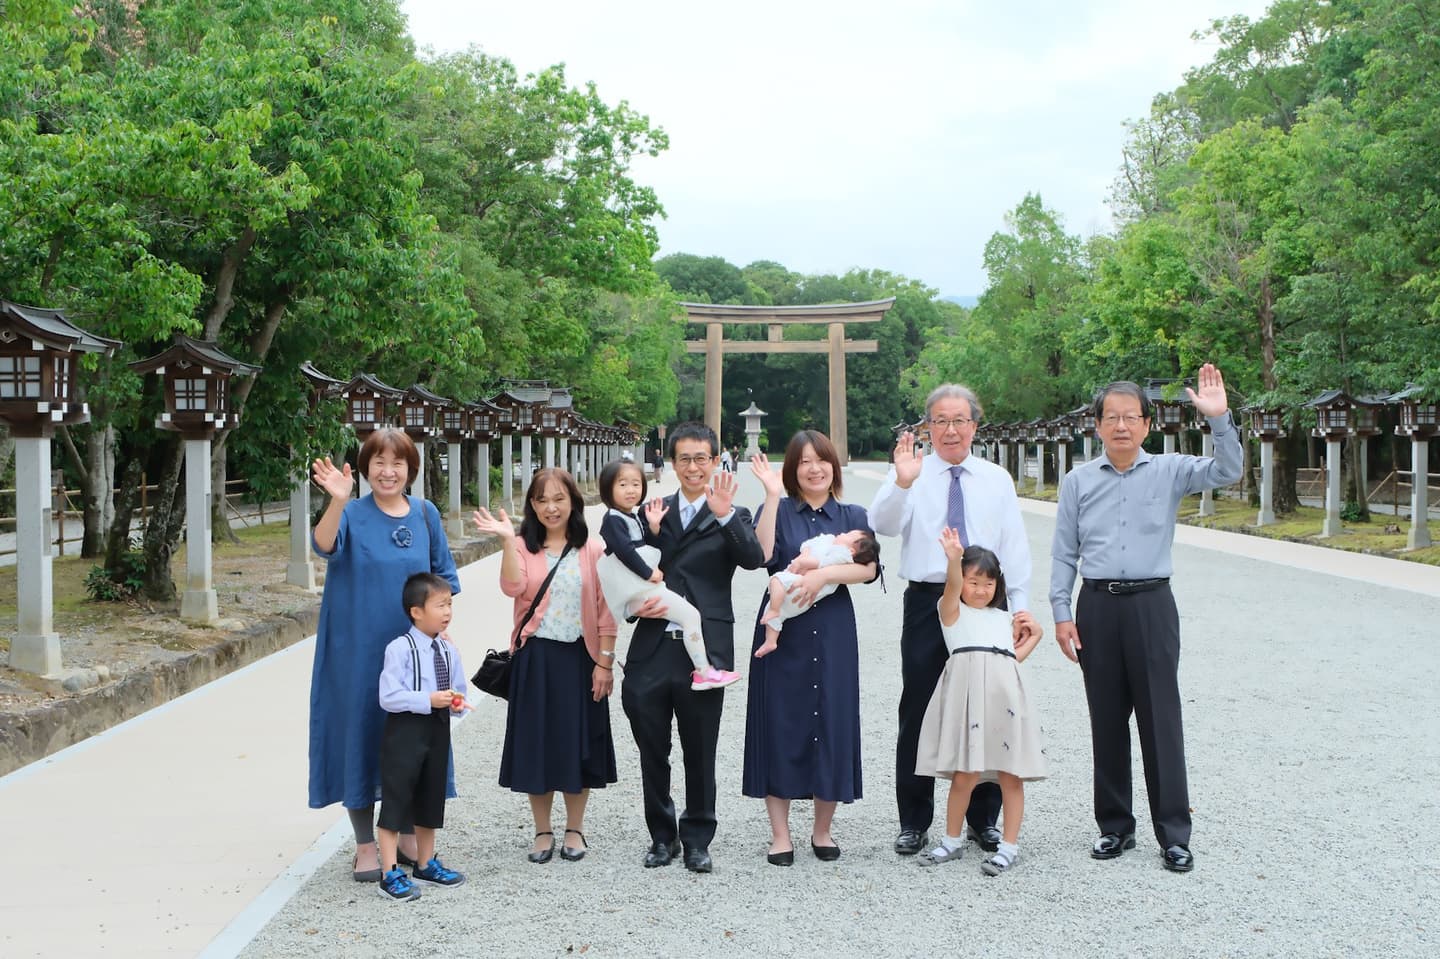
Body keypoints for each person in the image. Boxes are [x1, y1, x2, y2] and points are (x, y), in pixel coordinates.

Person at [1050, 364, 1241, 874]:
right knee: (1106, 721)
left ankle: (1174, 834)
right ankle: (1115, 828)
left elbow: (1228, 472)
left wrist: (1219, 420)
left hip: (1153, 604)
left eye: (1130, 417)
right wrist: (1061, 614)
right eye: (1110, 417)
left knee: (1161, 720)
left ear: (1146, 424)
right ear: (1096, 425)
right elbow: (1064, 554)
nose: (1120, 426)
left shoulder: (1171, 470)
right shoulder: (1077, 482)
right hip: (1097, 605)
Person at [870, 385, 1040, 858]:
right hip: (930, 601)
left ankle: (982, 819)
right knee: (920, 707)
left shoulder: (996, 479)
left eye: (959, 420)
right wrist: (902, 482)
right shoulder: (912, 471)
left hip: (986, 603)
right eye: (940, 420)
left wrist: (1018, 606)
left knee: (985, 708)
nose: (950, 429)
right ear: (927, 427)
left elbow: (1014, 547)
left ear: (974, 426)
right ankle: (914, 819)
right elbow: (880, 524)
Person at [309, 428, 461, 883]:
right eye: (379, 462)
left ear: (410, 469)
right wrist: (337, 499)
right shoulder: (351, 513)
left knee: (414, 741)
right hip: (356, 648)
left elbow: (443, 579)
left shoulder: (425, 514)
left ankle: (410, 836)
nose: (388, 471)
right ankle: (364, 844)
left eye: (397, 463)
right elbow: (323, 546)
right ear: (366, 468)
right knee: (361, 733)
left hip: (415, 651)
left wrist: (445, 634)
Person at [623, 422, 764, 873]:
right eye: (683, 458)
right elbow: (626, 569)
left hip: (707, 648)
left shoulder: (732, 513)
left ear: (716, 460)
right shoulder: (652, 510)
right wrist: (632, 607)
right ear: (671, 461)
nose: (693, 467)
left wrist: (723, 516)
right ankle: (662, 837)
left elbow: (753, 559)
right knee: (652, 747)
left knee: (700, 747)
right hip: (653, 644)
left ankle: (699, 837)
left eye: (701, 458)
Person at [744, 431, 879, 865]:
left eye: (821, 460)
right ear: (792, 469)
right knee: (779, 721)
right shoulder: (780, 511)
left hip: (833, 628)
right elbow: (763, 554)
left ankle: (823, 830)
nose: (813, 468)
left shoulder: (853, 514)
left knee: (832, 719)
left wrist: (824, 577)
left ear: (833, 466)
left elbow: (870, 569)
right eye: (803, 462)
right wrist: (769, 495)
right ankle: (780, 835)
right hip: (785, 628)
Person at [472, 468, 618, 864]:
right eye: (541, 500)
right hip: (536, 659)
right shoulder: (522, 545)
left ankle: (575, 827)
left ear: (573, 501)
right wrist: (506, 542)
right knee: (537, 746)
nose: (551, 507)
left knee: (578, 744)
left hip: (580, 657)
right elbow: (513, 588)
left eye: (558, 498)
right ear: (532, 506)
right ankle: (542, 830)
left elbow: (607, 612)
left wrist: (604, 663)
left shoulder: (594, 550)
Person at [914, 533, 1045, 876]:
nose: (981, 589)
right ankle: (951, 840)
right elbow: (952, 586)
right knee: (965, 773)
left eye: (988, 583)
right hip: (969, 699)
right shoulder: (951, 613)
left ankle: (1010, 847)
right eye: (973, 582)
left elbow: (1010, 659)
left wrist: (1036, 637)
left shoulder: (1003, 619)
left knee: (1010, 774)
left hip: (1005, 699)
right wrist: (954, 560)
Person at [594, 459, 740, 690]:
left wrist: (653, 528)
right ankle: (703, 672)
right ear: (607, 488)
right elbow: (625, 552)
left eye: (635, 484)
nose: (631, 490)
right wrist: (648, 572)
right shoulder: (612, 519)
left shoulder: (631, 516)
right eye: (622, 485)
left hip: (642, 586)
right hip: (639, 586)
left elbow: (643, 547)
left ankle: (704, 671)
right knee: (691, 616)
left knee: (688, 617)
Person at [374, 573, 469, 902]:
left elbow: (458, 689)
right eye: (440, 605)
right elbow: (388, 697)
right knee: (397, 800)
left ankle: (426, 863)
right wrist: (427, 700)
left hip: (438, 730)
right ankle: (389, 872)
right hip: (405, 732)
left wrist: (457, 704)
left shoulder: (447, 650)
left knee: (431, 797)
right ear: (416, 611)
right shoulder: (399, 649)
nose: (447, 612)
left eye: (450, 605)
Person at [755, 528, 880, 658]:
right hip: (802, 596)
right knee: (776, 614)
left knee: (777, 580)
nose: (842, 533)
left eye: (848, 535)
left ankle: (774, 610)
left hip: (802, 585)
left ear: (851, 550)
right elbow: (810, 544)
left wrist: (804, 561)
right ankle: (771, 640)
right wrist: (805, 553)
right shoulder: (830, 543)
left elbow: (822, 563)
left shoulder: (842, 554)